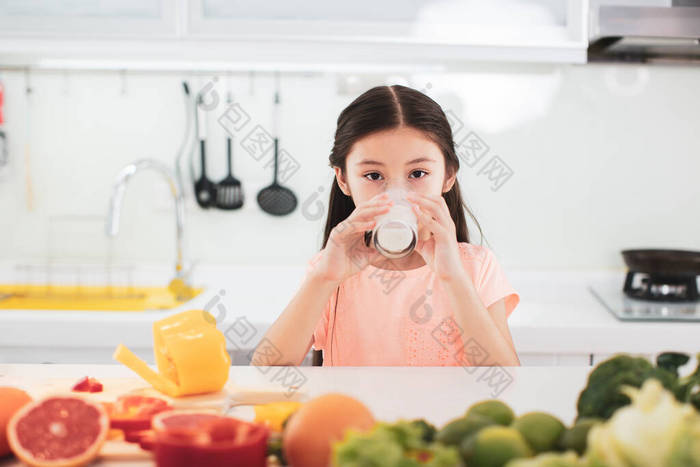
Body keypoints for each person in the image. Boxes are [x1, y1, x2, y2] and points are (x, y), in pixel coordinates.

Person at [253, 85, 520, 367]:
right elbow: (266, 370)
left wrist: (453, 277)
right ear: (343, 179)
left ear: (448, 176)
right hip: (355, 413)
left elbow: (505, 380)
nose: (397, 193)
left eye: (417, 173)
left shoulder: (475, 268)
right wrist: (323, 279)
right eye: (373, 175)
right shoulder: (330, 270)